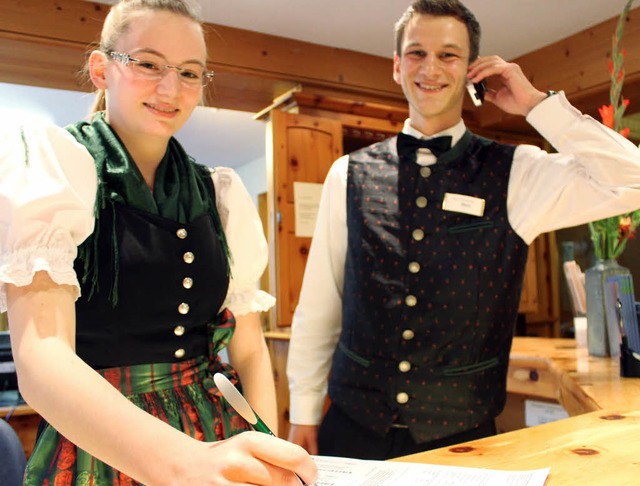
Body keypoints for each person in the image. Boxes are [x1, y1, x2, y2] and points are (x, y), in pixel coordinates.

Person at [287, 0, 640, 461]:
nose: (430, 67)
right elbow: (319, 307)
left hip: (463, 439)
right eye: (416, 53)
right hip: (351, 432)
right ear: (397, 66)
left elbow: (631, 180)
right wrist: (303, 413)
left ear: (471, 69)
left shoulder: (516, 173)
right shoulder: (347, 174)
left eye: (449, 54)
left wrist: (536, 105)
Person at [0, 0, 317, 484]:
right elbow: (42, 358)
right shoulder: (59, 170)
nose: (171, 88)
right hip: (102, 447)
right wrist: (185, 463)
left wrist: (268, 446)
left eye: (190, 73)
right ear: (101, 69)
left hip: (216, 430)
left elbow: (249, 349)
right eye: (148, 63)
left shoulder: (219, 193)